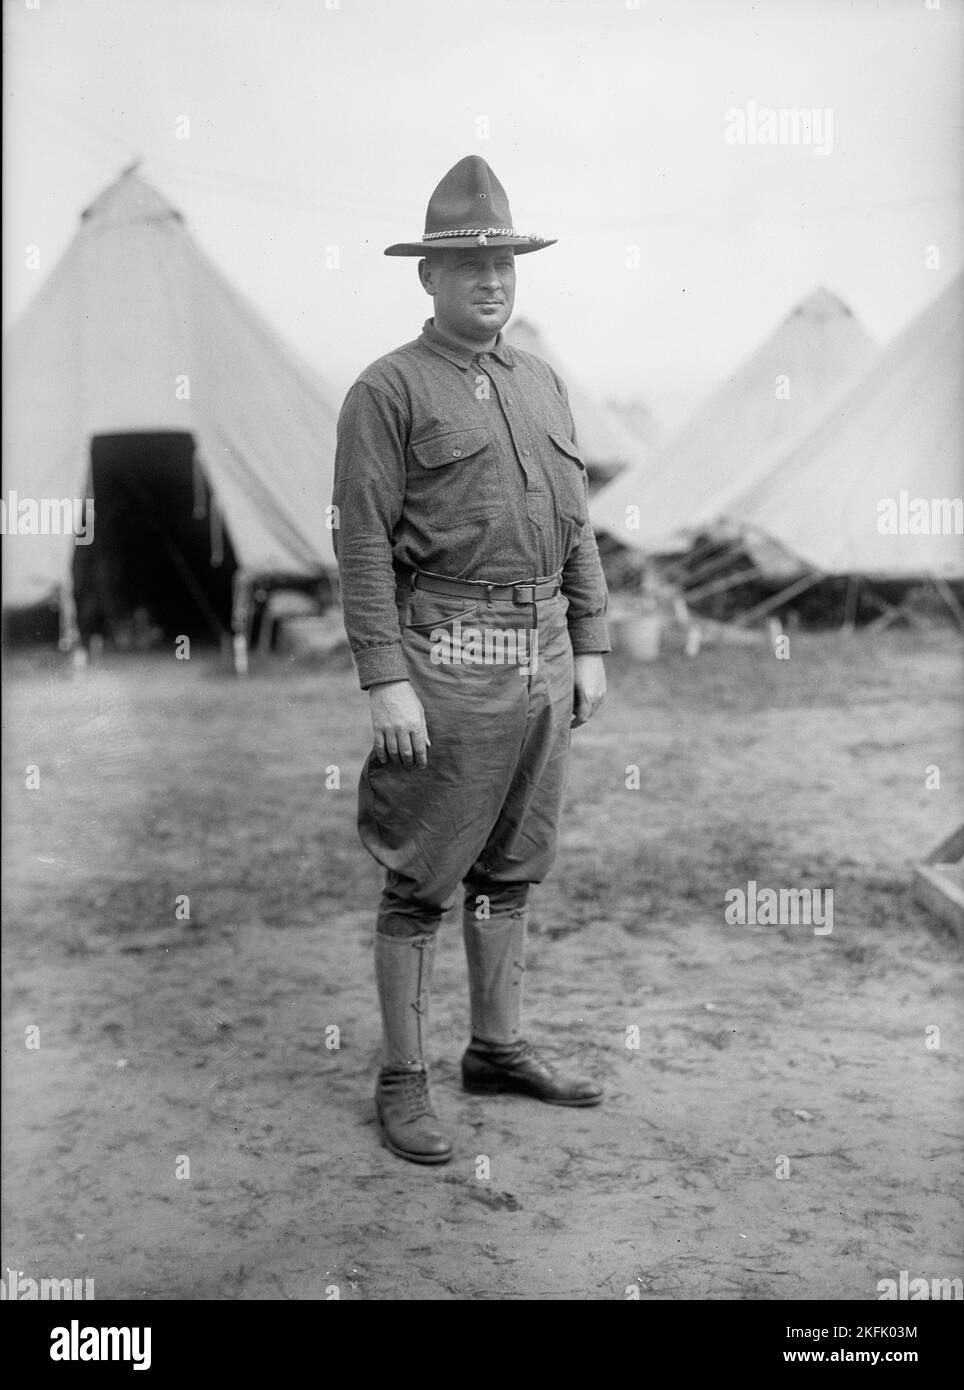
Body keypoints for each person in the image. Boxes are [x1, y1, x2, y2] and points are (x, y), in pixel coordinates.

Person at [333, 155, 610, 1165]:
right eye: (467, 265)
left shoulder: (541, 382)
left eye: (502, 261)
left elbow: (575, 527)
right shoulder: (386, 391)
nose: (490, 279)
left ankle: (493, 1048)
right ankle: (401, 1075)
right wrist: (384, 676)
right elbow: (361, 541)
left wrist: (589, 639)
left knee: (513, 862)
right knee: (422, 869)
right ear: (427, 279)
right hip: (446, 647)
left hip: (540, 644)